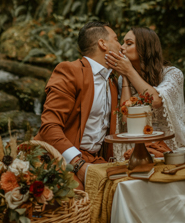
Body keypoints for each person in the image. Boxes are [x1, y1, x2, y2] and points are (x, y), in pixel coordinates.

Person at [34, 21, 122, 188]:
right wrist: (77, 163)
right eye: (116, 39)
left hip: (94, 158)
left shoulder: (112, 81)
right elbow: (49, 126)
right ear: (102, 44)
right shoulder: (70, 71)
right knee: (77, 192)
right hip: (57, 156)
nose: (121, 46)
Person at [104, 27, 185, 158]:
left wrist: (129, 71)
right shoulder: (123, 79)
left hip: (172, 149)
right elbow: (126, 118)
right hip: (139, 150)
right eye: (122, 42)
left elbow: (156, 101)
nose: (122, 47)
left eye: (129, 43)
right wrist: (125, 77)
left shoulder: (173, 74)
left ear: (144, 47)